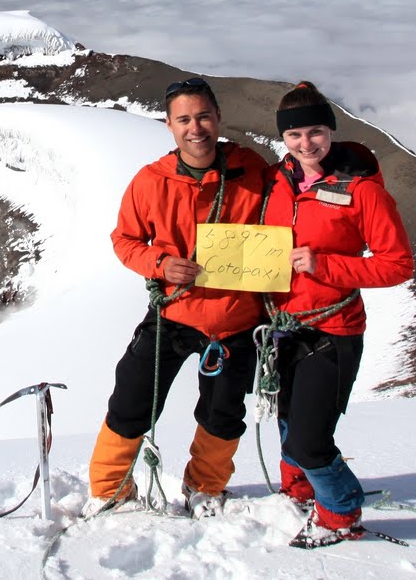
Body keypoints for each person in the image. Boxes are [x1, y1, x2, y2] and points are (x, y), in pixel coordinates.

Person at [87, 77, 271, 518]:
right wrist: (160, 264)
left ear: (218, 118)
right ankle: (110, 488)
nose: (196, 127)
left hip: (235, 319)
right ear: (169, 125)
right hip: (173, 313)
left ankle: (206, 487)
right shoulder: (151, 182)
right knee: (132, 396)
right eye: (185, 119)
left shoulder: (253, 168)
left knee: (222, 411)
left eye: (204, 116)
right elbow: (124, 239)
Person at [264, 81, 414, 538]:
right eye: (295, 135)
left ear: (331, 131)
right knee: (288, 416)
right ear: (283, 139)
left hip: (333, 328)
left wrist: (324, 265)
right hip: (282, 326)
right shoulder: (276, 182)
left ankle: (341, 512)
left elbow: (397, 264)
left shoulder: (363, 191)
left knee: (310, 439)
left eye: (315, 132)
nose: (306, 144)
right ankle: (299, 491)